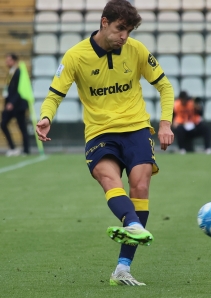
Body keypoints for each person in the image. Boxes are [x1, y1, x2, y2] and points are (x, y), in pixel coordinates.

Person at [35, 0, 174, 286]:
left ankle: (122, 268)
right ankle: (133, 224)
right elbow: (54, 94)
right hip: (99, 133)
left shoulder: (136, 51)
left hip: (135, 128)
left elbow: (164, 85)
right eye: (120, 29)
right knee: (111, 181)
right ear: (104, 22)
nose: (124, 36)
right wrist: (46, 116)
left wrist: (165, 123)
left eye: (129, 30)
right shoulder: (75, 56)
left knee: (141, 184)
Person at [1, 53, 30, 156]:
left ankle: (26, 150)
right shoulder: (10, 73)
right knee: (3, 124)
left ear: (14, 61)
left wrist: (12, 102)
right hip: (10, 105)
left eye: (9, 60)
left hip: (18, 105)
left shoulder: (19, 72)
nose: (7, 62)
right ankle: (13, 148)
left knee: (22, 127)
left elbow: (20, 90)